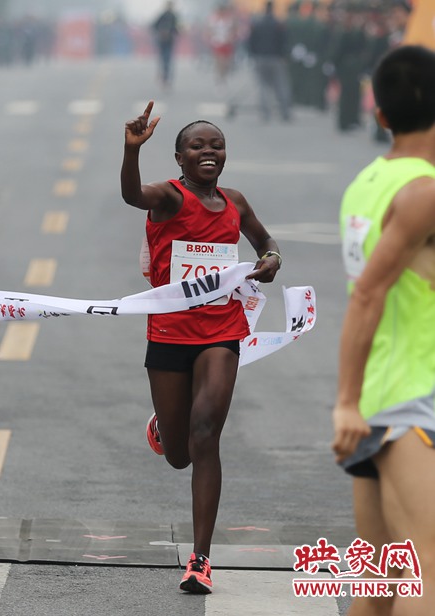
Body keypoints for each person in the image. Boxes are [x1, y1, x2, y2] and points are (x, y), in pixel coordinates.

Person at [120, 101, 281, 594]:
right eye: (197, 146)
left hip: (221, 331)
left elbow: (266, 242)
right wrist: (131, 151)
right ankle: (164, 428)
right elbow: (132, 196)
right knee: (180, 455)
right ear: (180, 158)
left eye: (217, 146)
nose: (209, 152)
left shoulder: (235, 202)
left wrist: (270, 260)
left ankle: (200, 559)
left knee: (206, 433)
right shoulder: (169, 198)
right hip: (169, 334)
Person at [332, 45, 435, 616]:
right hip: (414, 397)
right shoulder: (425, 192)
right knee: (427, 569)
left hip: (380, 396)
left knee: (381, 585)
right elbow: (370, 293)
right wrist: (346, 401)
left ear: (380, 114)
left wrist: (352, 400)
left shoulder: (367, 182)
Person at [247, 0, 292, 123]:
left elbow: (250, 41)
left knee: (262, 86)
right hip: (276, 58)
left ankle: (265, 113)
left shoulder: (257, 24)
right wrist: (283, 55)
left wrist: (253, 54)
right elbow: (284, 41)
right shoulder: (279, 24)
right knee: (280, 86)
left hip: (260, 58)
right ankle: (285, 112)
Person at [151, 1, 179, 89]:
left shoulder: (172, 16)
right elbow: (154, 26)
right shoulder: (164, 15)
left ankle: (165, 77)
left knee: (166, 59)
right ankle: (164, 77)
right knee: (165, 59)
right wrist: (162, 32)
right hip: (163, 40)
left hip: (168, 41)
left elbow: (176, 28)